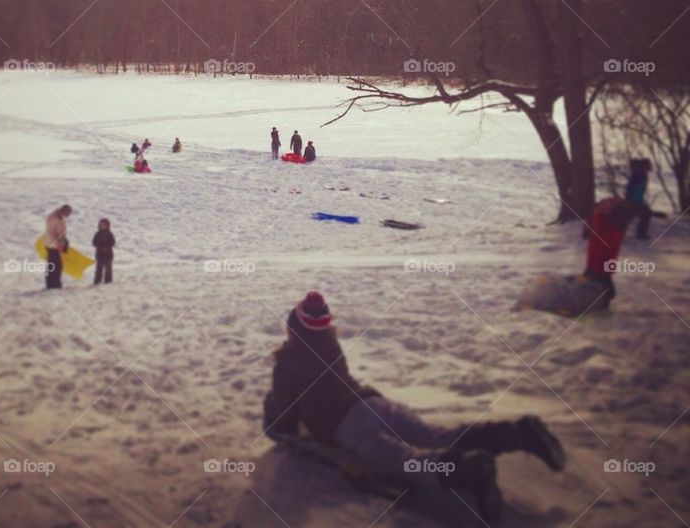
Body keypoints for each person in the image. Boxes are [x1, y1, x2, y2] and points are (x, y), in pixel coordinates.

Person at [263, 292, 564, 525]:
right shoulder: (331, 344)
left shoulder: (288, 363)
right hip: (373, 403)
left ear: (292, 328)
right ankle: (514, 433)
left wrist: (278, 424)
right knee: (436, 435)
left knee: (405, 461)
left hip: (350, 425)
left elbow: (285, 414)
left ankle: (468, 470)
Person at [581, 196, 637, 308]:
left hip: (600, 255)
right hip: (601, 251)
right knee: (599, 275)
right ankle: (602, 296)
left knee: (598, 275)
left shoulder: (605, 219)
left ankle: (601, 297)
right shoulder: (606, 217)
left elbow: (588, 231)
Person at [44, 204, 72, 290]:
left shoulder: (60, 217)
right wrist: (57, 244)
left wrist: (64, 241)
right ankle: (51, 284)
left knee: (58, 265)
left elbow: (61, 232)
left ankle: (56, 283)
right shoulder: (53, 217)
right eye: (68, 213)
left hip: (57, 245)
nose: (68, 216)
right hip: (51, 245)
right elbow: (50, 233)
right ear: (64, 210)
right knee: (53, 265)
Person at [626, 158, 653, 240]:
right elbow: (636, 188)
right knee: (646, 214)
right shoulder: (640, 174)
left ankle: (619, 232)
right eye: (649, 165)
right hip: (635, 200)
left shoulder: (639, 173)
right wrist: (637, 200)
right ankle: (641, 233)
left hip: (634, 199)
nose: (650, 167)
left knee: (629, 216)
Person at [92, 219, 116, 285]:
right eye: (101, 224)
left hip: (108, 254)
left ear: (107, 225)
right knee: (99, 269)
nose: (102, 226)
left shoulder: (110, 234)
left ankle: (108, 282)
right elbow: (94, 243)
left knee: (108, 269)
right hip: (100, 254)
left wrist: (107, 247)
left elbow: (112, 242)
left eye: (104, 225)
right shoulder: (97, 234)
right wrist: (100, 247)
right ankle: (97, 281)